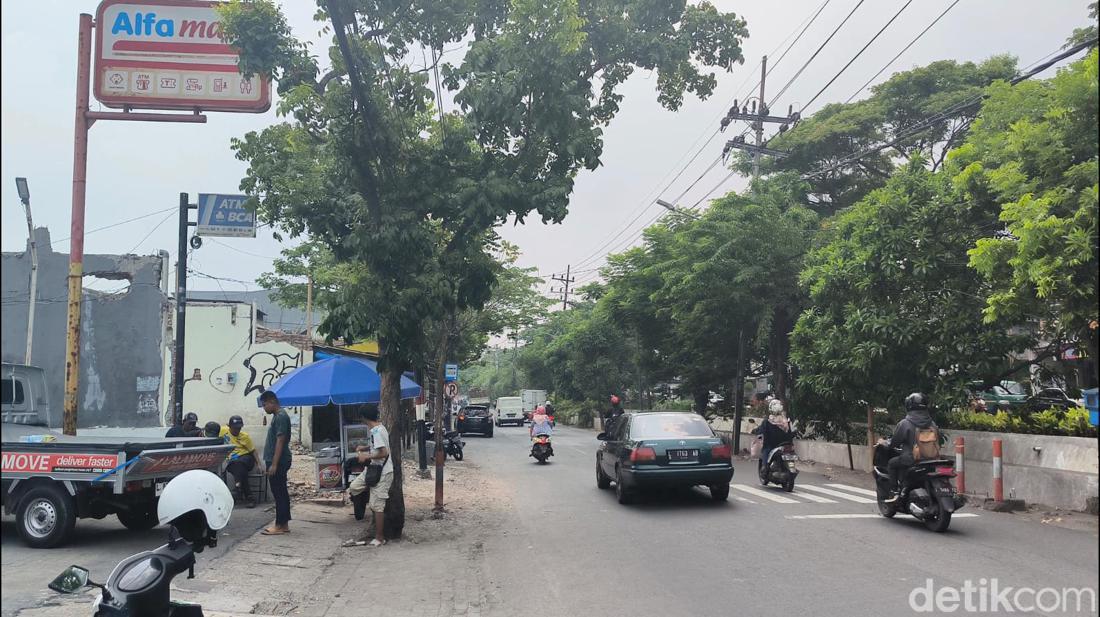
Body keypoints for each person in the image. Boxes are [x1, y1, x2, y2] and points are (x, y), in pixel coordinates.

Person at [880, 392, 938, 502]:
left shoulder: (905, 423)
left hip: (911, 459)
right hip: (931, 459)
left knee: (891, 463)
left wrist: (884, 443)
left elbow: (894, 443)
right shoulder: (932, 424)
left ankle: (894, 491)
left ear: (909, 406)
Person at [347, 406, 391, 547]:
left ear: (364, 417)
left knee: (377, 506)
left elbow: (384, 452)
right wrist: (364, 448)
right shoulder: (378, 429)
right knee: (354, 487)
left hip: (382, 471)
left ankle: (379, 537)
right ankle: (368, 499)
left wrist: (367, 455)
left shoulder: (377, 431)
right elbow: (377, 446)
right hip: (374, 469)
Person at [260, 391, 292, 535]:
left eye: (264, 404)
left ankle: (279, 525)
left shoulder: (280, 416)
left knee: (279, 493)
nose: (264, 408)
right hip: (276, 459)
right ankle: (283, 524)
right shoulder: (278, 416)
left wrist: (274, 464)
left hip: (278, 460)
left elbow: (280, 440)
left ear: (272, 401)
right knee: (280, 492)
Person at [220, 415, 261, 508]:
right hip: (232, 462)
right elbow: (210, 430)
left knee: (240, 464)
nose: (237, 430)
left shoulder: (244, 436)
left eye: (239, 428)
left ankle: (238, 489)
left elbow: (253, 451)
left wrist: (258, 464)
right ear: (229, 426)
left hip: (246, 458)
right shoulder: (223, 431)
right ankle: (247, 495)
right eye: (235, 428)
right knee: (240, 469)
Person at [756, 399, 795, 473]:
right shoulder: (786, 420)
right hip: (787, 444)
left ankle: (765, 467)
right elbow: (792, 432)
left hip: (772, 445)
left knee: (765, 449)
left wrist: (758, 433)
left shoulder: (768, 420)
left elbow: (761, 431)